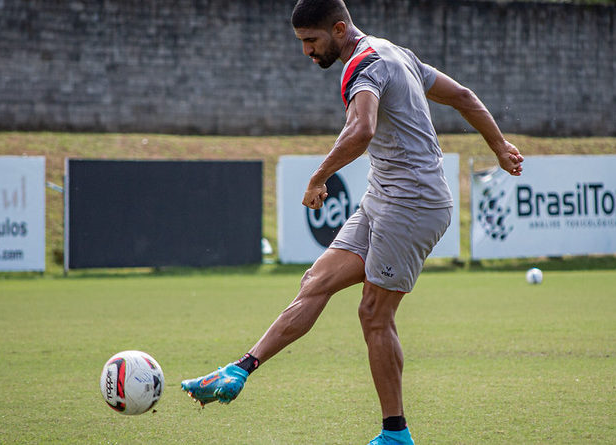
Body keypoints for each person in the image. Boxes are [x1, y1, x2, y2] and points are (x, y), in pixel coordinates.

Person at [181, 0, 524, 443]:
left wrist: (318, 175)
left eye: (311, 41)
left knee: (373, 313)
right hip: (384, 195)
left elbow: (361, 130)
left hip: (414, 202)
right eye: (301, 42)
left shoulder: (365, 66)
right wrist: (498, 145)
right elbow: (461, 96)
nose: (306, 51)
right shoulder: (395, 52)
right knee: (315, 282)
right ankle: (238, 371)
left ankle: (395, 434)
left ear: (339, 29)